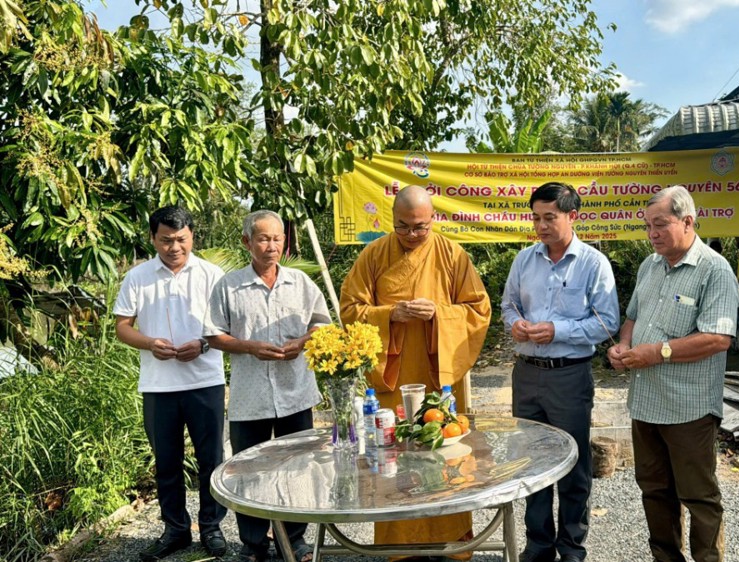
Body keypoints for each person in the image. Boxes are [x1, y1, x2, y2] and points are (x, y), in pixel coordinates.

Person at [339, 185, 491, 561]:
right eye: (403, 226)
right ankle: (399, 546)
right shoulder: (374, 254)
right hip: (392, 378)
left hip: (440, 376)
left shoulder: (452, 254)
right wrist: (389, 314)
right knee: (395, 453)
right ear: (392, 220)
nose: (411, 234)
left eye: (420, 227)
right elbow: (350, 309)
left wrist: (439, 314)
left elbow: (478, 309)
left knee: (445, 449)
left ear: (433, 219)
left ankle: (452, 542)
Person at [607, 185, 738, 562]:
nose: (652, 233)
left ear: (688, 222)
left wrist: (658, 352)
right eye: (648, 226)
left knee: (698, 496)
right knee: (654, 489)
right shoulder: (650, 265)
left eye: (660, 224)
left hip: (688, 408)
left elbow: (718, 338)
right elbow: (632, 317)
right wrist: (623, 346)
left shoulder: (714, 270)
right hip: (645, 402)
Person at [501, 182, 619, 562]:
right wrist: (516, 324)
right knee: (531, 461)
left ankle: (571, 547)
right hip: (526, 374)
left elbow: (607, 323)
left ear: (572, 216)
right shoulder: (524, 260)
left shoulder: (593, 263)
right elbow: (508, 305)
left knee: (573, 464)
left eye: (549, 218)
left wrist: (558, 330)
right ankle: (538, 545)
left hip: (569, 376)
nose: (541, 226)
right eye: (536, 218)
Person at [204, 210, 331, 562]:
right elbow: (212, 334)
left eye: (277, 238)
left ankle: (296, 540)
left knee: (299, 468)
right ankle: (253, 544)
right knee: (249, 471)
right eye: (263, 239)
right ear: (247, 242)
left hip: (296, 392)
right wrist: (249, 347)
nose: (271, 246)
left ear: (284, 242)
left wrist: (302, 342)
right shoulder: (229, 286)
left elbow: (323, 324)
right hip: (250, 397)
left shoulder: (300, 283)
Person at [113, 206, 228, 561]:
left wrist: (204, 344)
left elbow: (228, 327)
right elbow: (122, 327)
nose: (174, 247)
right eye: (165, 240)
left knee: (211, 459)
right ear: (153, 238)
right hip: (158, 385)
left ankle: (211, 528)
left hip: (205, 381)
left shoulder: (212, 275)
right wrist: (149, 343)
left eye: (181, 239)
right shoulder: (138, 277)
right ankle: (175, 530)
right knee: (167, 462)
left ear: (192, 236)